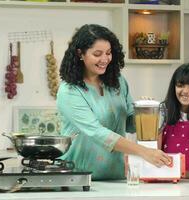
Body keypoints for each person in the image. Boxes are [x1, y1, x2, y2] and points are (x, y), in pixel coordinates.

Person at [56, 24, 171, 180]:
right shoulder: (69, 91)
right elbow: (98, 133)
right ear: (80, 54)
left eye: (108, 53)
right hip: (76, 177)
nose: (104, 59)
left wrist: (145, 113)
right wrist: (144, 151)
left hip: (115, 176)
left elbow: (130, 123)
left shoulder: (117, 82)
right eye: (97, 54)